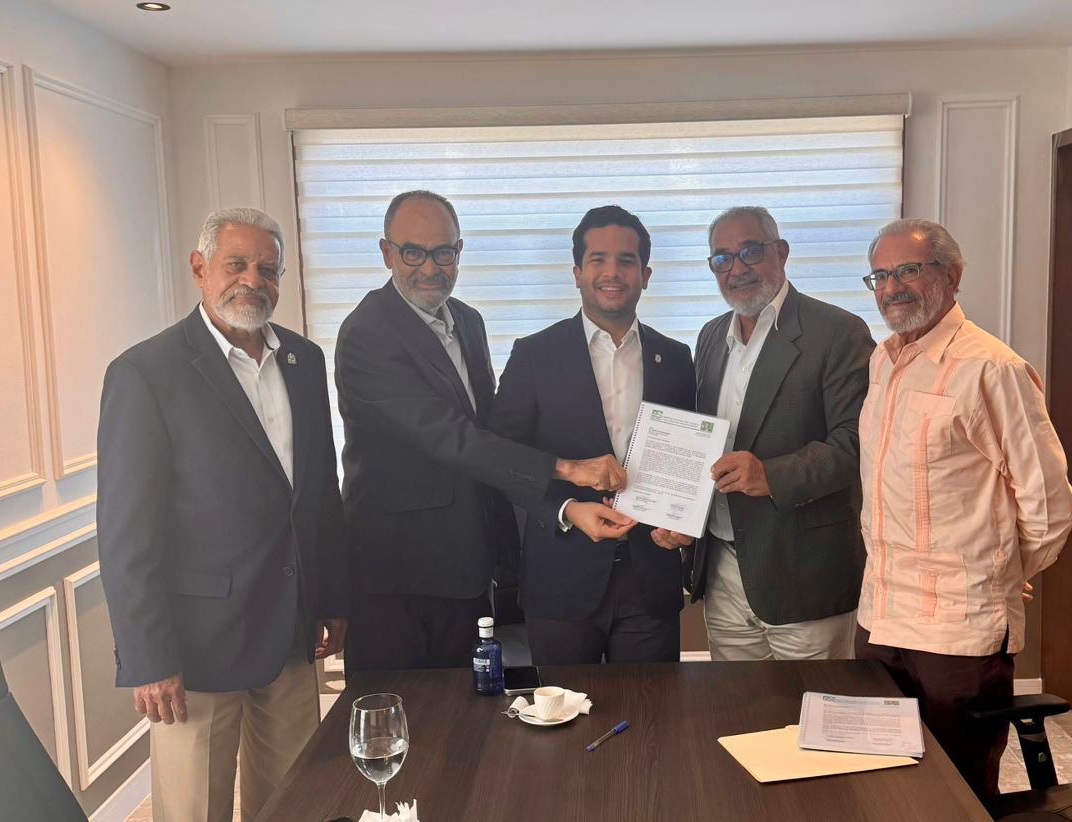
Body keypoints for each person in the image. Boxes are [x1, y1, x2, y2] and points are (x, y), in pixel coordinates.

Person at [97, 208, 348, 822]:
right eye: (236, 264)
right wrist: (149, 658)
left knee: (292, 802)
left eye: (268, 269)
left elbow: (321, 491)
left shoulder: (305, 361)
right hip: (196, 650)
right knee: (194, 809)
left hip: (290, 634)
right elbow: (127, 532)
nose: (252, 281)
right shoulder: (145, 373)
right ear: (199, 268)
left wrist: (332, 598)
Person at [335, 191, 628, 673]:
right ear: (387, 253)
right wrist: (568, 469)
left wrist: (563, 506)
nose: (430, 268)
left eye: (443, 252)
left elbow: (493, 431)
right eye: (413, 252)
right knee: (399, 709)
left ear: (459, 251)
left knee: (467, 709)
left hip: (467, 567)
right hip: (395, 575)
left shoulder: (468, 322)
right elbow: (450, 437)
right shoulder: (367, 333)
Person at [855, 217, 1072, 799]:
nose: (891, 287)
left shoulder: (992, 368)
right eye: (880, 275)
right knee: (882, 783)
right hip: (880, 617)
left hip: (956, 632)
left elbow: (1050, 505)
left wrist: (1002, 574)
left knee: (957, 793)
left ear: (951, 275)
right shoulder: (883, 361)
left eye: (908, 270)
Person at [666, 206, 875, 661]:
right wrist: (677, 510)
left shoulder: (837, 331)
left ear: (781, 252)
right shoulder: (710, 336)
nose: (736, 268)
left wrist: (770, 475)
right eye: (722, 258)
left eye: (750, 252)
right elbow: (701, 440)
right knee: (737, 704)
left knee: (812, 705)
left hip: (806, 574)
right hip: (723, 570)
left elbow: (857, 443)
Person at [490, 205, 695, 664]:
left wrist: (684, 522)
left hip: (650, 579)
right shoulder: (534, 355)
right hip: (560, 579)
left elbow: (686, 459)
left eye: (626, 261)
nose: (612, 272)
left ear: (645, 274)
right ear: (577, 273)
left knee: (652, 707)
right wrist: (564, 509)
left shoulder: (676, 357)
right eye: (598, 259)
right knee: (564, 708)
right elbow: (502, 460)